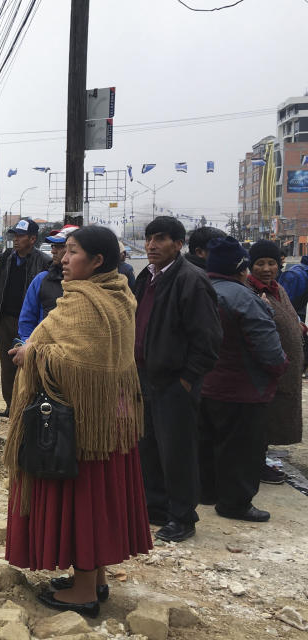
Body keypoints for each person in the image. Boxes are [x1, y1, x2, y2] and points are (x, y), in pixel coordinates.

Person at [5, 226, 151, 618]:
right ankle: (95, 578)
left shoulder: (85, 302)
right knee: (99, 499)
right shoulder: (119, 294)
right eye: (63, 252)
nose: (64, 259)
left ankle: (84, 591)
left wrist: (31, 354)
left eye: (72, 252)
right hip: (110, 421)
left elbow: (75, 363)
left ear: (97, 261)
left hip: (82, 426)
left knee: (83, 500)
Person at [134, 216, 222, 543]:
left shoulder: (191, 280)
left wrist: (188, 379)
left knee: (178, 451)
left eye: (160, 239)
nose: (151, 245)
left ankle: (183, 516)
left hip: (175, 383)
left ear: (178, 244)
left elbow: (209, 339)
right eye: (148, 239)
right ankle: (156, 507)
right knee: (149, 447)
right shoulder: (147, 277)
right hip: (145, 378)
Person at [199, 237, 287, 522]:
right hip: (243, 389)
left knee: (211, 443)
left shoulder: (201, 291)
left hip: (206, 385)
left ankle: (209, 493)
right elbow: (269, 351)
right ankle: (235, 504)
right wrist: (279, 368)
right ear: (240, 268)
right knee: (242, 450)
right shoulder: (243, 298)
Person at [245, 240, 303, 483]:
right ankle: (255, 464)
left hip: (286, 369)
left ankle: (261, 457)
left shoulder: (278, 288)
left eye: (271, 263)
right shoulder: (250, 291)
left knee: (275, 417)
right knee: (261, 421)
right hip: (266, 370)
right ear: (251, 266)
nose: (266, 268)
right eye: (260, 263)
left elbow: (288, 316)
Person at [0, 218, 51, 417]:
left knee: (30, 367)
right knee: (7, 367)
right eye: (15, 235)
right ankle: (11, 406)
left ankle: (29, 407)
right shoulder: (7, 257)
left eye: (21, 236)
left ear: (32, 239)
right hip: (5, 320)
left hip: (31, 324)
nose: (16, 240)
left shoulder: (43, 261)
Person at [17, 225, 78, 342]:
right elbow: (26, 320)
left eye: (60, 246)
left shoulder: (91, 285)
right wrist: (30, 347)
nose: (53, 250)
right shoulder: (41, 280)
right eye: (53, 246)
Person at [278, 254, 308, 322]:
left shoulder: (295, 268)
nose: (284, 261)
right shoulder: (302, 272)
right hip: (296, 310)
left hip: (287, 308)